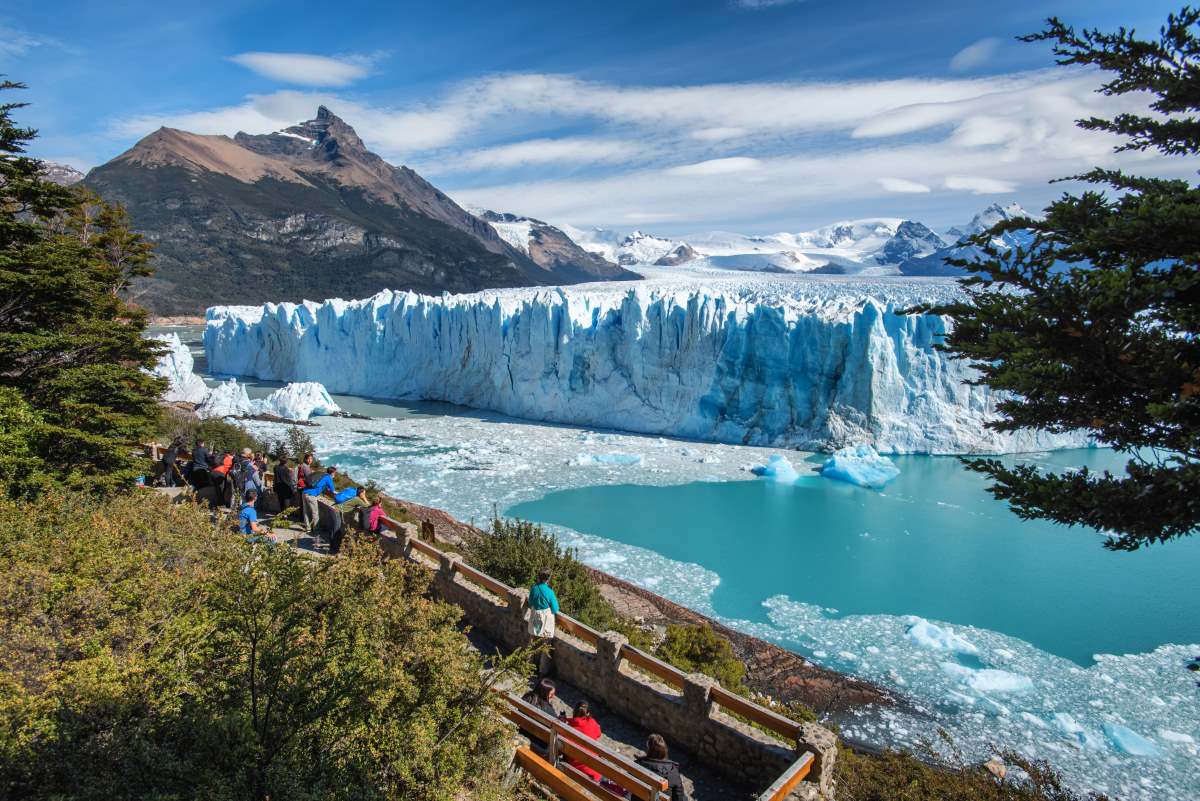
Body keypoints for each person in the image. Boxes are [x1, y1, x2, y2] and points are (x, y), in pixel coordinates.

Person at [636, 735, 689, 801]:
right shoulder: (672, 771)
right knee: (684, 797)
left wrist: (642, 758)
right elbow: (679, 798)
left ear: (649, 750)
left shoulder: (638, 764)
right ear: (665, 750)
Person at [528, 567, 559, 677]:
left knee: (531, 644)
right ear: (548, 578)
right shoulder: (550, 592)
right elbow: (555, 609)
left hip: (535, 619)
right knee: (545, 647)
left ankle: (527, 667)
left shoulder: (534, 589)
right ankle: (542, 671)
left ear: (538, 576)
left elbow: (530, 602)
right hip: (546, 622)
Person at [565, 701, 603, 783]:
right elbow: (599, 734)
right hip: (595, 773)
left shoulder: (567, 728)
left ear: (574, 711)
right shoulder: (592, 722)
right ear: (588, 713)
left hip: (576, 769)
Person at [329, 486, 368, 555]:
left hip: (333, 509)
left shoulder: (353, 496)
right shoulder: (357, 499)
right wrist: (364, 498)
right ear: (361, 493)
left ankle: (333, 548)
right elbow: (367, 506)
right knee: (336, 530)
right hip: (336, 511)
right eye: (364, 493)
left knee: (336, 529)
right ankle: (333, 549)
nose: (364, 494)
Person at [302, 466, 336, 540]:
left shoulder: (322, 474)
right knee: (315, 512)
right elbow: (333, 490)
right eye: (334, 473)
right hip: (311, 495)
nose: (335, 474)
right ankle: (316, 530)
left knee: (306, 511)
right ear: (333, 473)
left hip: (304, 492)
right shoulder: (328, 478)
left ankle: (308, 528)